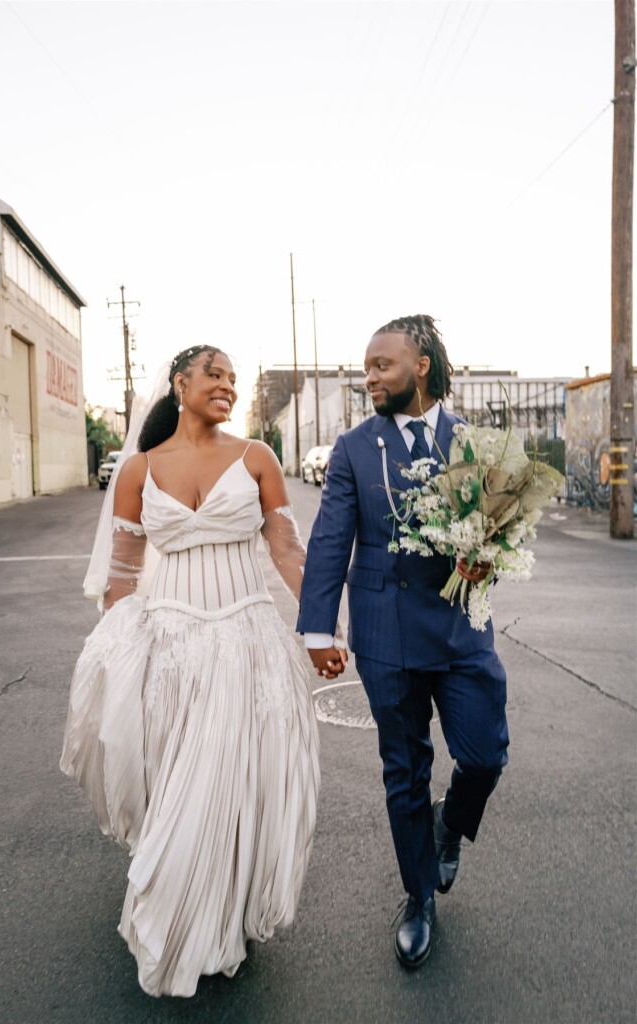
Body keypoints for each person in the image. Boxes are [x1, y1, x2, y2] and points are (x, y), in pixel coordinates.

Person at [61, 345, 332, 998]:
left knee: (235, 779)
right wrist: (119, 645)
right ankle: (177, 913)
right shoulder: (138, 470)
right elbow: (124, 572)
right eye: (214, 375)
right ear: (180, 384)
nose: (227, 387)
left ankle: (223, 915)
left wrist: (319, 626)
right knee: (179, 780)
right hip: (171, 643)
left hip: (247, 638)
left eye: (233, 380)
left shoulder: (257, 459)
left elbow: (287, 549)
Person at [297, 315, 509, 970]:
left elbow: (496, 529)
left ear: (419, 365)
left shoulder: (472, 444)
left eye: (380, 365)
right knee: (404, 771)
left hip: (460, 628)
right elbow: (331, 539)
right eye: (365, 369)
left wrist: (486, 558)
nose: (369, 378)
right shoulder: (353, 449)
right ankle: (418, 896)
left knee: (483, 755)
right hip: (385, 634)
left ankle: (450, 825)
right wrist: (315, 627)